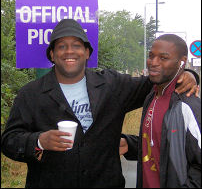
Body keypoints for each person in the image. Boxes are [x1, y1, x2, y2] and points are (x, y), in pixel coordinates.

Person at [1, 20, 199, 188]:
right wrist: (39, 141)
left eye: (77, 45)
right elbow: (9, 141)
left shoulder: (111, 85)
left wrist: (188, 74)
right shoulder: (32, 94)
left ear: (87, 52)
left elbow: (157, 79)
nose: (70, 51)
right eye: (61, 46)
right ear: (52, 54)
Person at [120, 34, 201, 188]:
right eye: (151, 56)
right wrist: (129, 145)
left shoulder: (188, 106)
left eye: (163, 58)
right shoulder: (152, 96)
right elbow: (159, 141)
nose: (153, 62)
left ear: (182, 62)